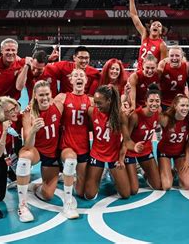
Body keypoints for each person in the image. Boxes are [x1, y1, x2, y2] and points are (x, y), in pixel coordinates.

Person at [16, 80, 79, 222]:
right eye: (41, 95)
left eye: (47, 94)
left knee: (48, 195)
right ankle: (22, 206)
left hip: (53, 152)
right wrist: (33, 131)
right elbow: (27, 145)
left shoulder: (58, 105)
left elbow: (79, 99)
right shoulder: (28, 113)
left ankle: (35, 187)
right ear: (35, 96)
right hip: (36, 150)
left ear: (51, 94)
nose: (44, 98)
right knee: (24, 157)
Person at [84, 85, 131, 200]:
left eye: (99, 103)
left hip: (114, 155)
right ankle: (101, 171)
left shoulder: (121, 116)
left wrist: (121, 159)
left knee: (125, 194)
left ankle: (111, 173)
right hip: (97, 153)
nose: (96, 105)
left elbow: (126, 141)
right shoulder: (91, 111)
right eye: (95, 102)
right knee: (89, 195)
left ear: (109, 101)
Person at [56, 68, 92, 203]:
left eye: (82, 75)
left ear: (86, 81)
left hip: (83, 147)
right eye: (75, 75)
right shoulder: (62, 97)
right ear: (70, 80)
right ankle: (67, 201)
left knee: (81, 192)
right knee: (71, 161)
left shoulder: (91, 101)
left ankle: (68, 176)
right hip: (67, 145)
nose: (79, 77)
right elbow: (47, 110)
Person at [124, 84, 163, 194]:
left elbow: (158, 126)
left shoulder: (158, 112)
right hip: (130, 151)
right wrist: (132, 148)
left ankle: (142, 170)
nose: (154, 104)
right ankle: (118, 172)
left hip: (146, 150)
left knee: (157, 185)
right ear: (145, 102)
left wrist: (159, 138)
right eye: (151, 101)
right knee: (133, 190)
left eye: (157, 101)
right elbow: (126, 139)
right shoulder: (135, 116)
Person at [0, 38, 27, 121]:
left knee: (12, 131)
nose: (10, 53)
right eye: (7, 50)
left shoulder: (22, 63)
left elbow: (38, 62)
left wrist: (49, 58)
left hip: (12, 103)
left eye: (13, 50)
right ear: (1, 50)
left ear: (17, 51)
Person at [157, 94, 189, 190]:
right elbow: (153, 117)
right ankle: (159, 171)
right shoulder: (166, 119)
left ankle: (175, 171)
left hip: (180, 153)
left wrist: (188, 160)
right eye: (182, 105)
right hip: (164, 152)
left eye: (187, 105)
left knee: (187, 186)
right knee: (167, 186)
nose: (185, 108)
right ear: (175, 106)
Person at [129, 0, 167, 70]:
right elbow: (133, 15)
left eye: (159, 25)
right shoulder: (144, 35)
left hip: (152, 74)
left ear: (161, 31)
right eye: (154, 24)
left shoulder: (162, 45)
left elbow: (162, 66)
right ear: (150, 29)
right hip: (140, 72)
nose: (156, 25)